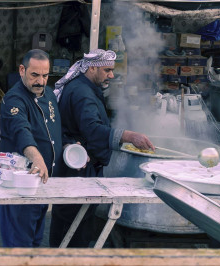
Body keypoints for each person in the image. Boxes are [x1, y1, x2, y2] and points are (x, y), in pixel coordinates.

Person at [49, 49, 154, 248]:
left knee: (71, 217)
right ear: (92, 68)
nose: (111, 75)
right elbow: (93, 130)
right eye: (107, 70)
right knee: (73, 220)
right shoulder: (82, 93)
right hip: (77, 167)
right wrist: (128, 136)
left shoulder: (82, 87)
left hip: (75, 164)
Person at [0, 49, 63, 247]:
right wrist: (36, 157)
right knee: (19, 247)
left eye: (45, 75)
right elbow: (21, 131)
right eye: (34, 75)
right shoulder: (14, 99)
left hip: (42, 184)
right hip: (20, 186)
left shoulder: (49, 94)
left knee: (34, 242)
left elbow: (54, 130)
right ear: (22, 70)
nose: (40, 81)